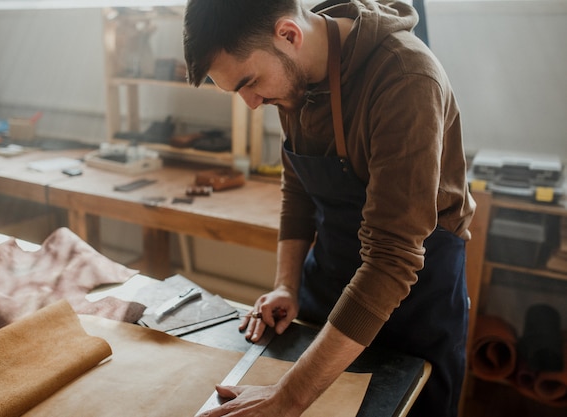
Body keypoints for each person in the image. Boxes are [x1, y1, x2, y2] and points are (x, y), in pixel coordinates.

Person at [183, 1, 476, 416]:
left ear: (289, 34)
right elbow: (299, 188)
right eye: (237, 91)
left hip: (414, 299)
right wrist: (286, 284)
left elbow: (391, 259)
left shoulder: (406, 79)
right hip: (330, 284)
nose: (250, 103)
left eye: (249, 82)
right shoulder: (294, 78)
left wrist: (289, 397)